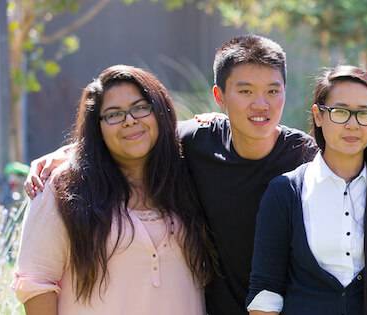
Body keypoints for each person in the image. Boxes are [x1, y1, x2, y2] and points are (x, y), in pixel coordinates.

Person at [23, 35, 319, 315]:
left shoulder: (306, 159)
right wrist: (68, 154)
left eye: (272, 90)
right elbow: (136, 134)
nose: (261, 104)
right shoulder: (196, 143)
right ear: (220, 96)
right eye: (245, 91)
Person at [13, 65, 215, 314]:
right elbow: (36, 283)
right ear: (97, 126)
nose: (130, 120)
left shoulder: (188, 177)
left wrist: (215, 122)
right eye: (113, 114)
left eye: (141, 107)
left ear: (159, 111)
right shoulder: (62, 188)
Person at [246, 66, 367, 315]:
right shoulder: (286, 192)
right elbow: (266, 294)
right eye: (340, 112)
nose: (352, 124)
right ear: (318, 116)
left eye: (364, 114)